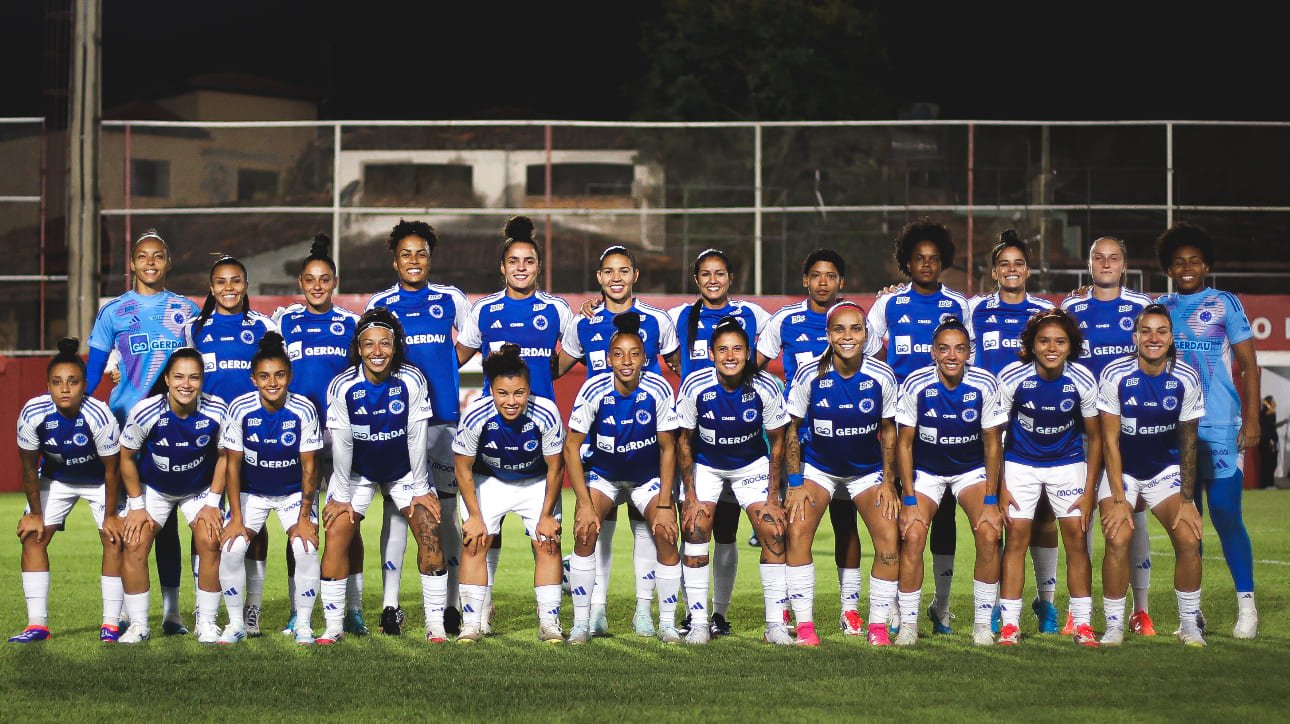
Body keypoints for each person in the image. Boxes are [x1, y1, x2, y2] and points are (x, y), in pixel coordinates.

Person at [456, 217, 572, 634]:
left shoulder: (557, 309)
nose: (521, 267)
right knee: (482, 536)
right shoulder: (484, 310)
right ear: (502, 268)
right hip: (492, 437)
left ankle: (549, 623)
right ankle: (478, 614)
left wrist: (536, 382)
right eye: (513, 261)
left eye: (529, 261)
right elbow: (456, 357)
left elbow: (569, 356)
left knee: (547, 539)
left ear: (539, 267)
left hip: (538, 437)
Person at [556, 245, 679, 637]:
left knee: (650, 529)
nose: (616, 278)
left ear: (635, 276)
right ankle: (594, 614)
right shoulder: (584, 322)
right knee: (595, 529)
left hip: (643, 449)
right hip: (601, 453)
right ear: (598, 277)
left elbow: (680, 365)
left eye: (623, 271)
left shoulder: (657, 322)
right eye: (608, 271)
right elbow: (556, 368)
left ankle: (648, 614)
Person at [86, 229, 200, 636]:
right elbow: (93, 370)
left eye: (158, 256)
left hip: (171, 428)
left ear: (168, 263)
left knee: (164, 524)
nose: (150, 262)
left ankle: (172, 614)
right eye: (142, 256)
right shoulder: (113, 311)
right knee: (119, 520)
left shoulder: (186, 310)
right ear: (131, 264)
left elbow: (199, 366)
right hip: (122, 428)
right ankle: (116, 614)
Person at [366, 219, 474, 636]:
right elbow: (371, 353)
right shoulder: (381, 302)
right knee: (397, 510)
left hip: (443, 421)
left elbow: (468, 341)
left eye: (422, 253)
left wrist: (445, 370)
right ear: (395, 260)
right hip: (396, 424)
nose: (414, 260)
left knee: (446, 513)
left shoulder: (451, 299)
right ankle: (391, 605)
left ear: (431, 258)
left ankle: (448, 605)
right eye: (406, 253)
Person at [316, 308, 448, 644]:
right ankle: (333, 626)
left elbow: (417, 437)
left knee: (431, 529)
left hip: (404, 469)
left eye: (385, 344)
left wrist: (420, 488)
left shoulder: (412, 379)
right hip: (357, 472)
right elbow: (342, 445)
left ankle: (436, 626)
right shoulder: (342, 386)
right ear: (359, 349)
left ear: (395, 346)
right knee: (337, 532)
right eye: (370, 344)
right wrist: (342, 495)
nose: (378, 351)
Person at [1156, 222, 1260, 639]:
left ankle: (1247, 607)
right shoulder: (1160, 308)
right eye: (1178, 262)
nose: (1186, 267)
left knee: (1226, 513)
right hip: (1176, 429)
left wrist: (1252, 420)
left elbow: (1249, 365)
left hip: (1220, 424)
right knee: (1188, 521)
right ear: (1168, 268)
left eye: (1194, 261)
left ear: (1207, 265)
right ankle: (1192, 614)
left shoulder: (1224, 303)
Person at [866, 220, 970, 635]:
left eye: (933, 259)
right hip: (898, 424)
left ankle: (941, 607)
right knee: (895, 514)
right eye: (918, 259)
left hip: (944, 421)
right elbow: (870, 352)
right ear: (906, 263)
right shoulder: (888, 304)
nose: (926, 265)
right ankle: (891, 605)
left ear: (942, 262)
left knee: (943, 519)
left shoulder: (960, 304)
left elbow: (970, 359)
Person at [756, 248, 867, 635]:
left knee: (846, 524)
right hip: (799, 445)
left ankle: (849, 609)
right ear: (805, 280)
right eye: (816, 275)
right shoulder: (785, 319)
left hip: (848, 443)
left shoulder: (854, 320)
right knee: (790, 525)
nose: (823, 282)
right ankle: (786, 605)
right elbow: (751, 365)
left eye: (831, 275)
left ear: (841, 283)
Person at [783, 301, 901, 647]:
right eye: (839, 329)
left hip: (866, 472)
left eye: (856, 329)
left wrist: (889, 482)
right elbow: (792, 430)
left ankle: (877, 626)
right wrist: (795, 483)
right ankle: (805, 626)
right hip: (820, 469)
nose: (848, 336)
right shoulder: (809, 375)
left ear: (867, 334)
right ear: (828, 334)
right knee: (797, 532)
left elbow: (889, 430)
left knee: (889, 543)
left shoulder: (882, 375)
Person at [668, 248, 769, 636]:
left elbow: (778, 342)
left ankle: (719, 615)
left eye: (720, 273)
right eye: (706, 274)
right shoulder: (679, 317)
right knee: (694, 527)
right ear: (696, 280)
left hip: (739, 436)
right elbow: (662, 349)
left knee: (726, 530)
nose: (713, 280)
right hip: (696, 442)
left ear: (730, 278)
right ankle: (692, 615)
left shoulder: (754, 315)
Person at [967, 230, 1063, 635]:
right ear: (993, 271)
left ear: (1028, 270)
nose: (1011, 270)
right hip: (990, 428)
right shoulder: (976, 310)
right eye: (1004, 264)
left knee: (1041, 520)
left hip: (1035, 427)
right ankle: (995, 606)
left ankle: (1047, 603)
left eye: (1018, 264)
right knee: (999, 517)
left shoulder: (1046, 310)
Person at [1060, 236, 1155, 636]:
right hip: (1079, 429)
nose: (1105, 263)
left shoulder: (1141, 308)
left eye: (1113, 257)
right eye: (1098, 257)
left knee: (1131, 515)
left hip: (1128, 430)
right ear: (1089, 264)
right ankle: (1076, 609)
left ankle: (1141, 610)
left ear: (1124, 265)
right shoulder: (1071, 308)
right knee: (1079, 516)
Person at [1097, 304, 1206, 646]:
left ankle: (1189, 626)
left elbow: (1189, 443)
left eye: (1161, 331)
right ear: (1136, 337)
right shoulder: (1116, 374)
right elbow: (1110, 441)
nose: (1153, 338)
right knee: (1117, 537)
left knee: (1190, 538)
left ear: (1172, 338)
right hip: (1122, 470)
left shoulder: (1186, 377)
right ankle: (1114, 625)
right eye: (1146, 331)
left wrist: (1188, 501)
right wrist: (1118, 499)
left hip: (1163, 471)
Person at [893, 317, 1007, 647]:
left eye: (959, 349)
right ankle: (910, 625)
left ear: (969, 352)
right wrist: (909, 499)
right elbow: (903, 443)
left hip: (970, 471)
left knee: (988, 532)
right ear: (933, 353)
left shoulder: (985, 383)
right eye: (944, 349)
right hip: (926, 472)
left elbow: (992, 442)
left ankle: (983, 624)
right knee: (913, 534)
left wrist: (990, 499)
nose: (952, 356)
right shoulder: (915, 383)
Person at [675, 317, 788, 645]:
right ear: (711, 354)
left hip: (750, 464)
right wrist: (691, 496)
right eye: (722, 349)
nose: (730, 355)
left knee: (774, 531)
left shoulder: (765, 386)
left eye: (737, 349)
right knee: (695, 529)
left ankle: (775, 625)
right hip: (707, 464)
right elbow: (684, 440)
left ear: (748, 353)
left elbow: (778, 440)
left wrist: (772, 497)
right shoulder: (695, 385)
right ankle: (698, 623)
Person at [273, 234, 363, 635]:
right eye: (310, 279)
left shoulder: (350, 324)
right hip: (298, 437)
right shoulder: (283, 321)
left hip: (341, 435)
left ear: (335, 281)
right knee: (301, 520)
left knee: (346, 523)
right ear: (300, 283)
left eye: (324, 279)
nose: (317, 286)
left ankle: (352, 608)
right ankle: (299, 608)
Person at [995, 310, 1101, 646]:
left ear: (1071, 346)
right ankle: (1010, 625)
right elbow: (995, 435)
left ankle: (1082, 624)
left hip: (1067, 463)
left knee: (1076, 541)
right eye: (1044, 341)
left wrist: (1089, 490)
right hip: (1019, 464)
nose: (1051, 347)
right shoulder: (1012, 376)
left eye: (1059, 341)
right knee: (1015, 541)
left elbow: (1096, 438)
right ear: (1031, 345)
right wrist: (999, 486)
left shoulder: (1082, 380)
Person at [185, 254, 277, 636]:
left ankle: (251, 611)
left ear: (245, 286)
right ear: (211, 288)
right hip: (205, 438)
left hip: (252, 436)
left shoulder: (264, 327)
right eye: (221, 282)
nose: (228, 288)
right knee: (205, 521)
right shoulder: (193, 329)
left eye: (235, 281)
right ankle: (201, 605)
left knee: (253, 521)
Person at [10, 338, 124, 643]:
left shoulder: (99, 415)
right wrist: (35, 514)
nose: (64, 389)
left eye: (72, 382)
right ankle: (37, 625)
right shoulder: (33, 413)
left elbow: (113, 470)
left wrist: (111, 515)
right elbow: (27, 467)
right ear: (47, 384)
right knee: (32, 536)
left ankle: (112, 624)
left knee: (114, 538)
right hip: (55, 479)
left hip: (99, 482)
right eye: (57, 382)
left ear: (84, 385)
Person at [452, 344, 566, 643]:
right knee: (474, 542)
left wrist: (545, 516)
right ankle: (472, 624)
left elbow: (556, 468)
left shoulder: (547, 413)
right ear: (491, 390)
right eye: (503, 393)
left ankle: (550, 623)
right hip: (489, 480)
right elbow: (462, 468)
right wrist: (474, 516)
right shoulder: (476, 415)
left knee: (548, 543)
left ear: (529, 389)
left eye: (519, 393)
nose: (512, 401)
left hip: (535, 481)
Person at [216, 332, 323, 645]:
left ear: (290, 376)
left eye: (279, 375)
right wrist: (235, 518)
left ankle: (303, 623)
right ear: (253, 379)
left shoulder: (304, 409)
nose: (272, 383)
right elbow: (232, 466)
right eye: (264, 376)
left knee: (305, 548)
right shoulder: (239, 409)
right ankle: (236, 623)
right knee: (232, 548)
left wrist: (305, 517)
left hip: (292, 492)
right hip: (253, 493)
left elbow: (310, 468)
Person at [116, 348, 229, 644]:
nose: (186, 384)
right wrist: (137, 507)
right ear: (166, 379)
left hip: (198, 490)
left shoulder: (217, 410)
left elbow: (225, 457)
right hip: (155, 489)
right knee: (135, 541)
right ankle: (139, 625)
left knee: (211, 538)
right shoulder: (145, 411)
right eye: (178, 376)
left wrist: (213, 503)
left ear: (203, 380)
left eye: (194, 377)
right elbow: (126, 457)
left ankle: (206, 622)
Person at [1259, 396, 1286, 488]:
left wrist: (1283, 422)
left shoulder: (1266, 413)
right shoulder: (1268, 413)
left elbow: (1272, 425)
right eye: (1272, 401)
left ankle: (1267, 483)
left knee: (1269, 463)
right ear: (1268, 403)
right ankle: (1268, 484)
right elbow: (1268, 428)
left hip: (1268, 442)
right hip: (1269, 442)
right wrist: (1271, 442)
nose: (1274, 402)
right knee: (1270, 463)